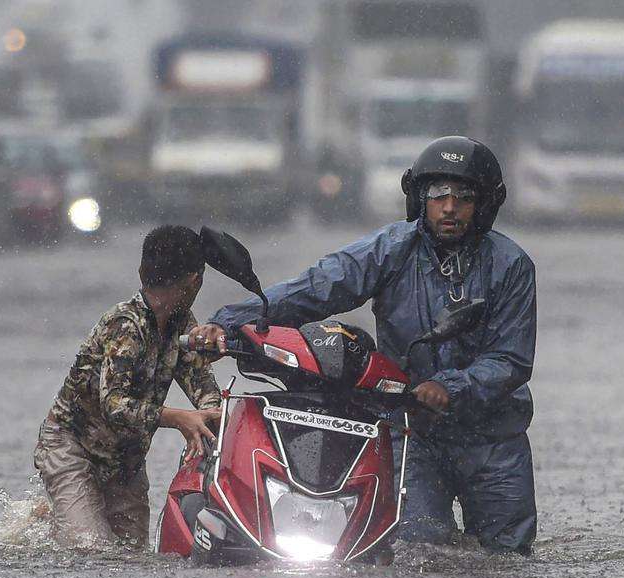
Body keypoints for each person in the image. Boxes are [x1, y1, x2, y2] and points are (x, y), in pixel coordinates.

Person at [190, 136, 538, 555]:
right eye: (438, 195)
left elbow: (510, 359)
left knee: (509, 561)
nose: (449, 207)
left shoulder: (512, 265)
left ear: (484, 204)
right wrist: (228, 323)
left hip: (494, 439)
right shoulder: (391, 249)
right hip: (411, 431)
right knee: (417, 552)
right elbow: (318, 287)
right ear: (419, 199)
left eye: (463, 197)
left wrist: (450, 387)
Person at [34, 225, 221, 548]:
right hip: (72, 446)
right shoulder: (125, 325)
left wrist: (212, 416)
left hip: (125, 461)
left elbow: (201, 383)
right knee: (91, 548)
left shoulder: (182, 324)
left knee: (131, 556)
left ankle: (63, 516)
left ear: (142, 271)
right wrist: (179, 418)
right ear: (195, 281)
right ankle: (52, 516)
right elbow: (114, 404)